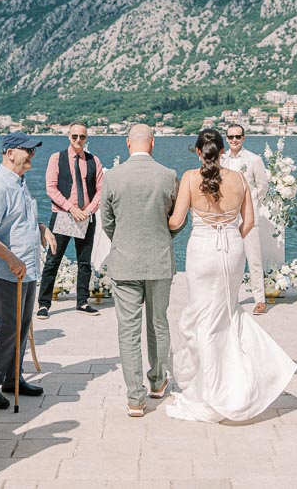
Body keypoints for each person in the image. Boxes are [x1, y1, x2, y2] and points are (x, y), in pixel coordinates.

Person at [163, 129, 294, 422]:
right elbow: (249, 222)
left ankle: (212, 389)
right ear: (222, 151)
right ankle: (235, 376)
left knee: (203, 318)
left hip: (202, 249)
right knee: (226, 312)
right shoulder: (239, 179)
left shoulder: (189, 178)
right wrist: (230, 235)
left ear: (198, 152)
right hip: (232, 250)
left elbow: (176, 220)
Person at [100, 124, 180, 416]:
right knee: (158, 323)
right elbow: (177, 218)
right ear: (153, 143)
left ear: (127, 144)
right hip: (159, 260)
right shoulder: (168, 175)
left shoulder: (113, 177)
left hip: (124, 261)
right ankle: (158, 382)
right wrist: (162, 237)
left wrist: (122, 240)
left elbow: (106, 220)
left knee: (128, 330)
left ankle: (135, 397)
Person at [0, 133, 57, 410]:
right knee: (7, 328)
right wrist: (11, 259)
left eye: (33, 151)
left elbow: (20, 221)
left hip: (27, 269)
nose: (32, 155)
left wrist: (42, 229)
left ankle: (13, 377)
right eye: (28, 150)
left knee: (20, 328)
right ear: (10, 152)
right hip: (7, 272)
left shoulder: (20, 183)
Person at [38, 122, 104, 318]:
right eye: (74, 136)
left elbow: (101, 190)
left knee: (84, 262)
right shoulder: (56, 159)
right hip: (63, 215)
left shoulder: (94, 161)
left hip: (86, 216)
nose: (78, 140)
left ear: (86, 138)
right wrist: (71, 208)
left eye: (82, 137)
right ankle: (44, 304)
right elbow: (51, 188)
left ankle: (82, 302)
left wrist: (89, 210)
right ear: (68, 136)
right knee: (53, 260)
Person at [220, 123, 278, 316]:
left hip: (249, 215)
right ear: (227, 138)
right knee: (228, 259)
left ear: (243, 138)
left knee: (254, 259)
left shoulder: (254, 159)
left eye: (238, 136)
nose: (234, 140)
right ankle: (229, 298)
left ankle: (260, 300)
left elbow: (262, 186)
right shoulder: (221, 159)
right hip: (228, 216)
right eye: (231, 137)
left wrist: (251, 204)